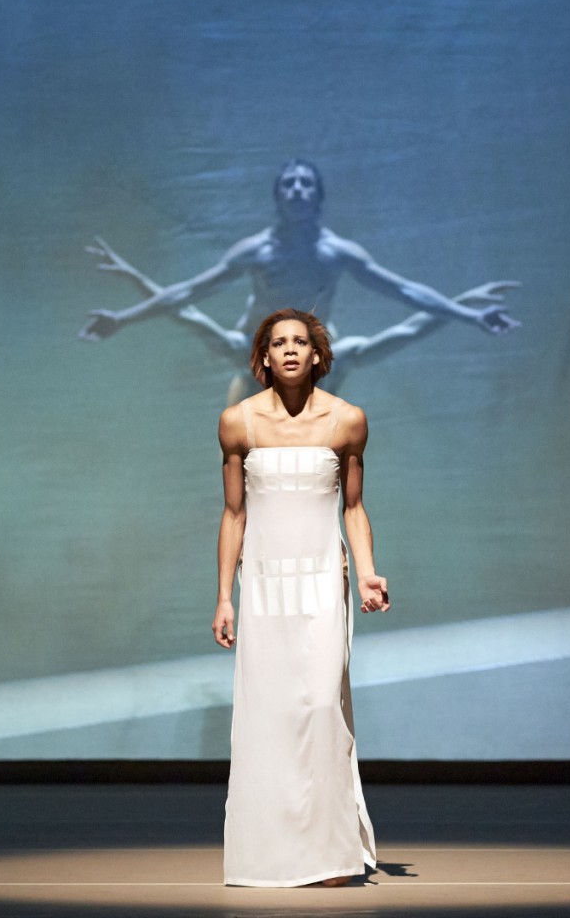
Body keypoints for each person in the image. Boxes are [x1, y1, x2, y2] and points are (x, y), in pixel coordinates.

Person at [212, 308, 390, 888]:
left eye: (301, 342)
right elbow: (234, 513)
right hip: (263, 583)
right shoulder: (238, 423)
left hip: (321, 581)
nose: (291, 350)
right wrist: (223, 597)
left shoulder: (347, 421)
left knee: (318, 706)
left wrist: (366, 572)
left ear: (318, 355)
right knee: (268, 716)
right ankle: (271, 856)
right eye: (279, 343)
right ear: (263, 357)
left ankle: (328, 855)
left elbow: (353, 508)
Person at [79, 158, 519, 345]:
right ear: (278, 198)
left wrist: (470, 316)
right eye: (288, 183)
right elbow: (187, 296)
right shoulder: (256, 251)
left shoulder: (338, 253)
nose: (297, 189)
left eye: (305, 183)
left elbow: (404, 292)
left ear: (318, 197)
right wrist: (123, 319)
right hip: (254, 355)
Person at [84, 235, 519, 402]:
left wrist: (466, 310)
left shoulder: (338, 361)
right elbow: (183, 309)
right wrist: (130, 285)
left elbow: (410, 328)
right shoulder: (248, 361)